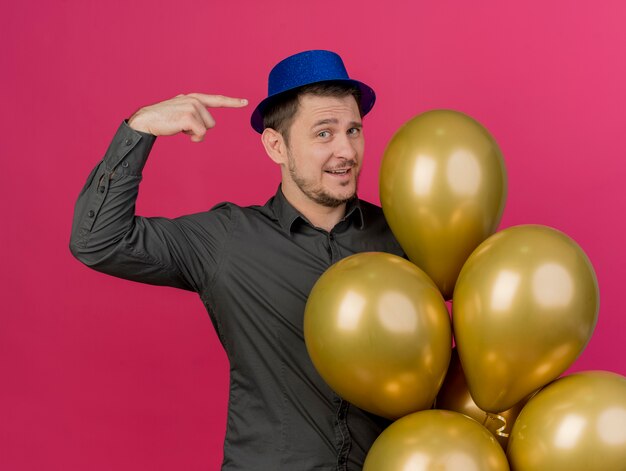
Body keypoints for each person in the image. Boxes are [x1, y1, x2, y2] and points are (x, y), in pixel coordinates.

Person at [70, 50, 403, 470]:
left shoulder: (400, 237)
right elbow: (97, 241)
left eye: (353, 130)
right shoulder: (228, 241)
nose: (347, 150)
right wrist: (140, 129)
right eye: (324, 133)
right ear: (276, 146)